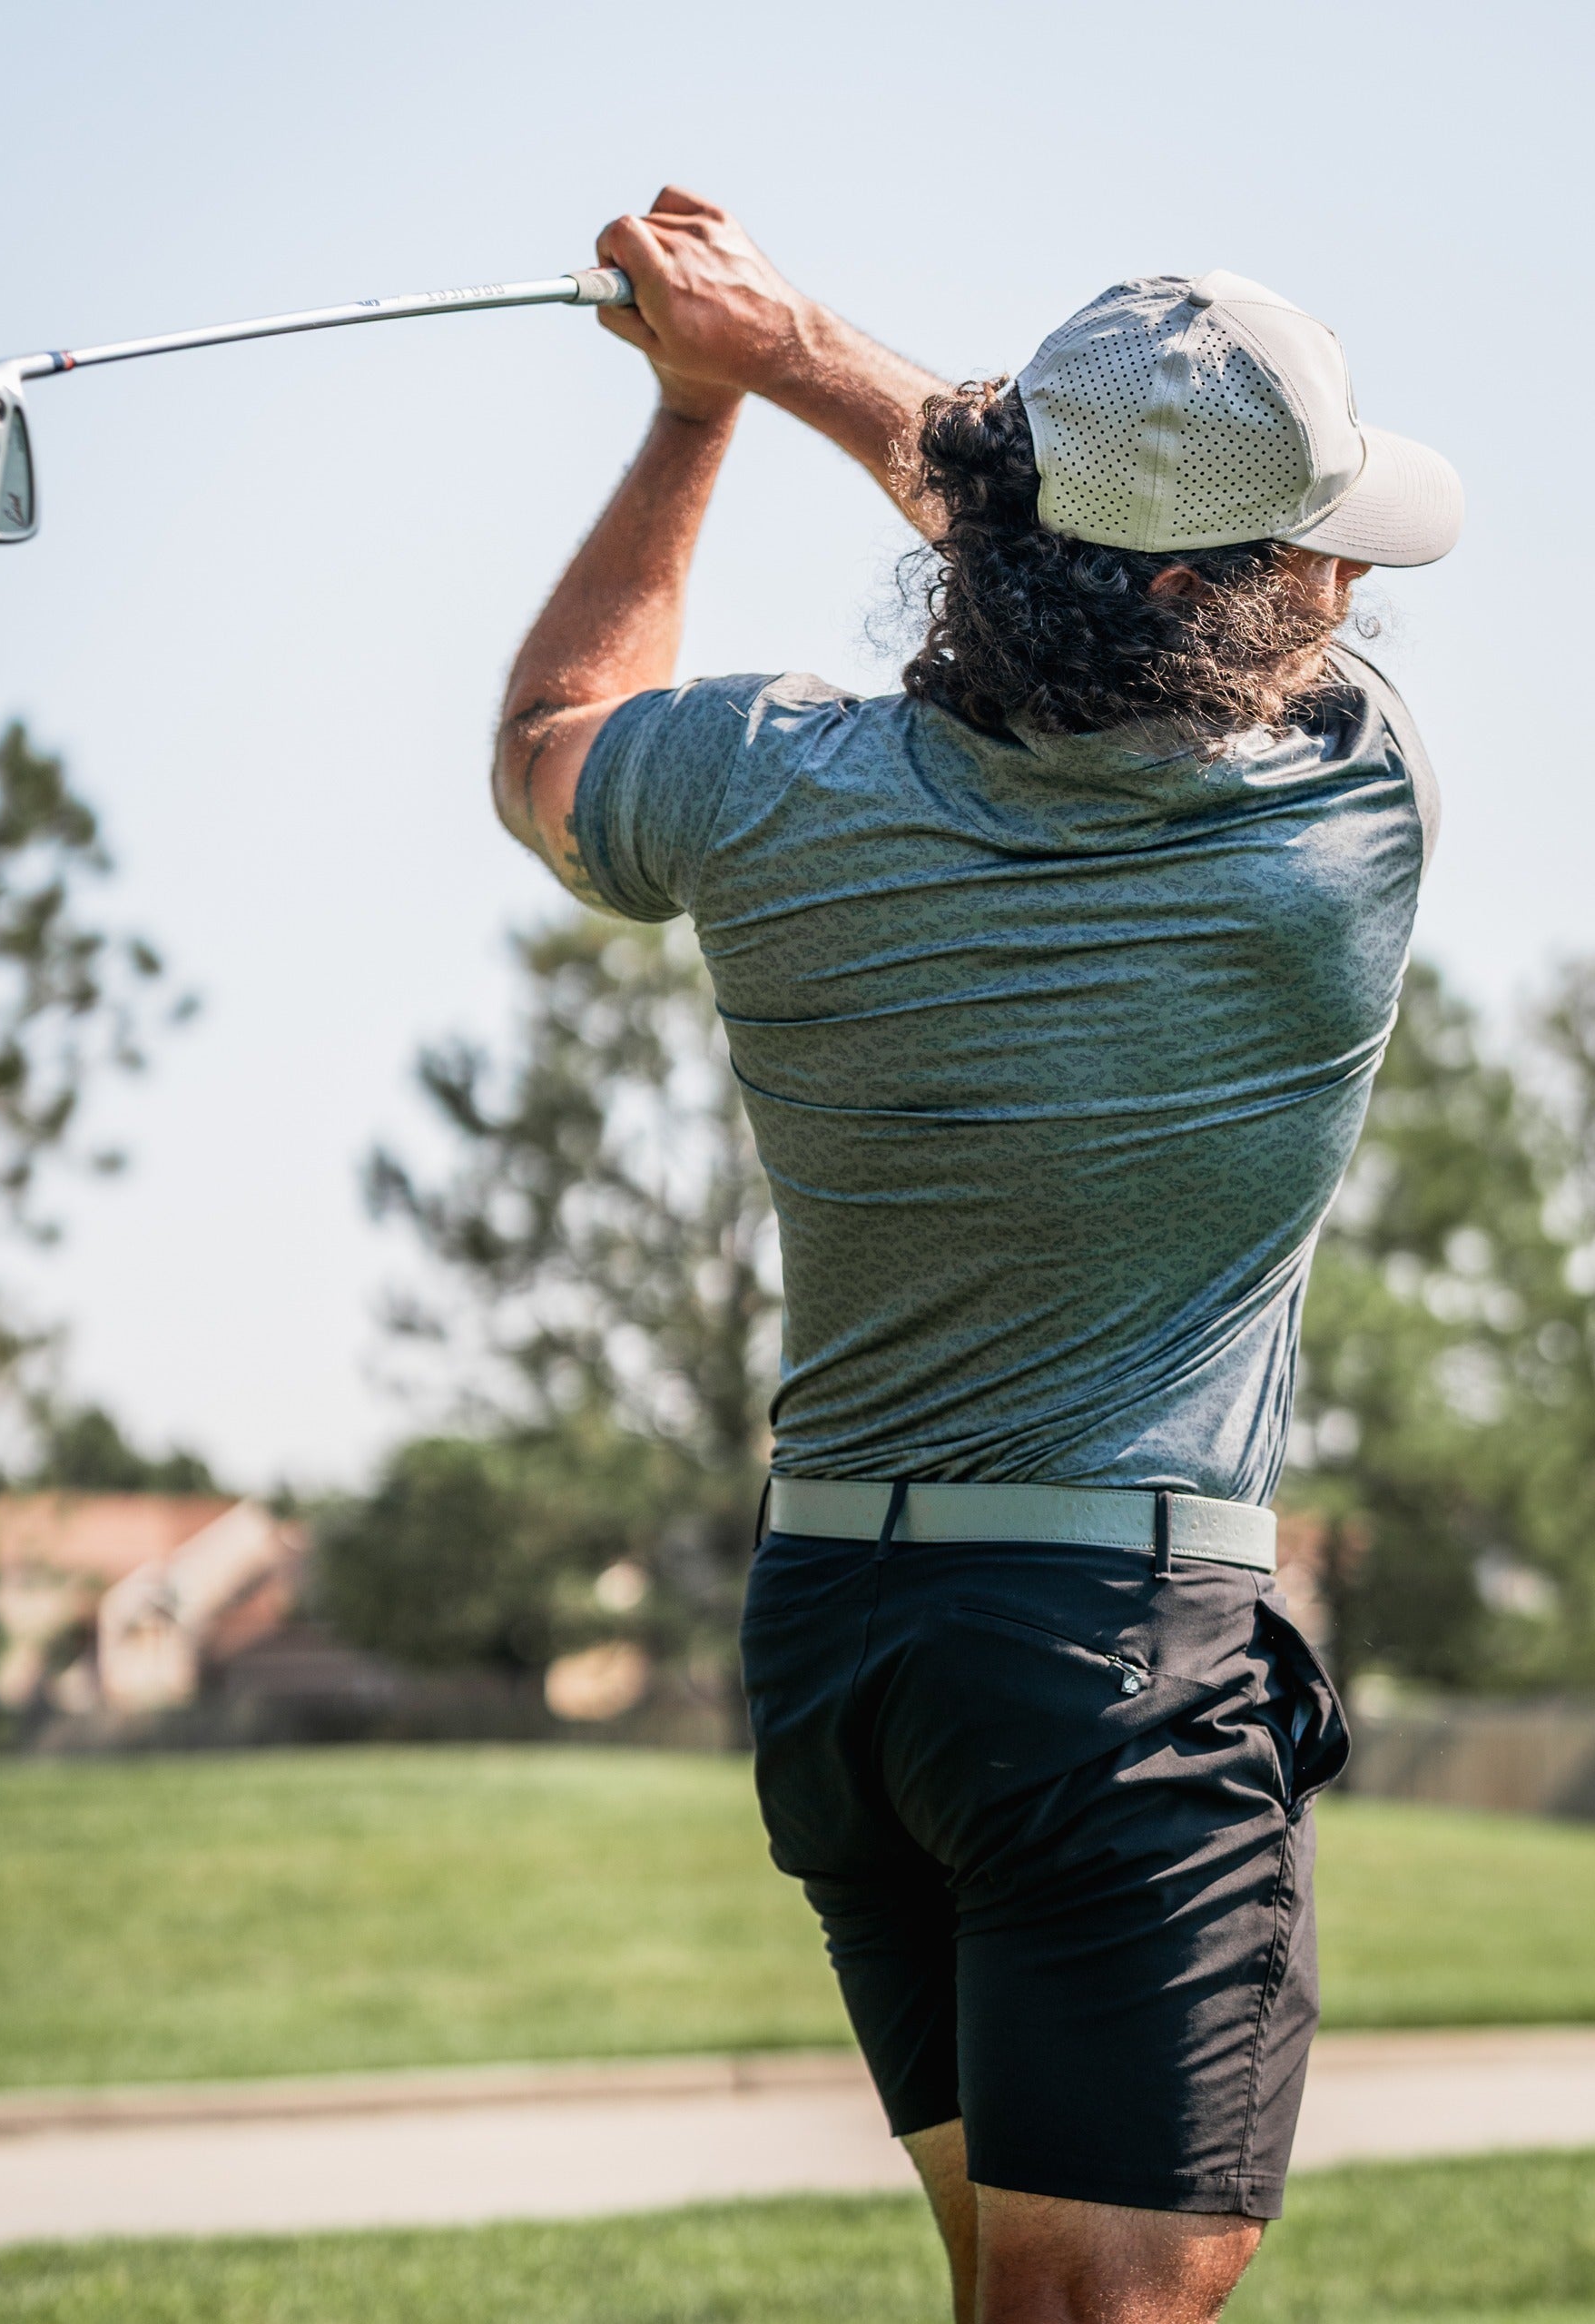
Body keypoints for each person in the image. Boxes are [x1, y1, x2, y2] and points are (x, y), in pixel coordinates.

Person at [491, 188, 1461, 2324]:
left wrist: (695, 408)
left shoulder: (770, 779)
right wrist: (794, 350)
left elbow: (550, 745)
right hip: (1103, 1651)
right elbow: (1035, 533)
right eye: (1318, 547)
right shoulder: (1333, 819)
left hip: (840, 1644)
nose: (1351, 580)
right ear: (1253, 590)